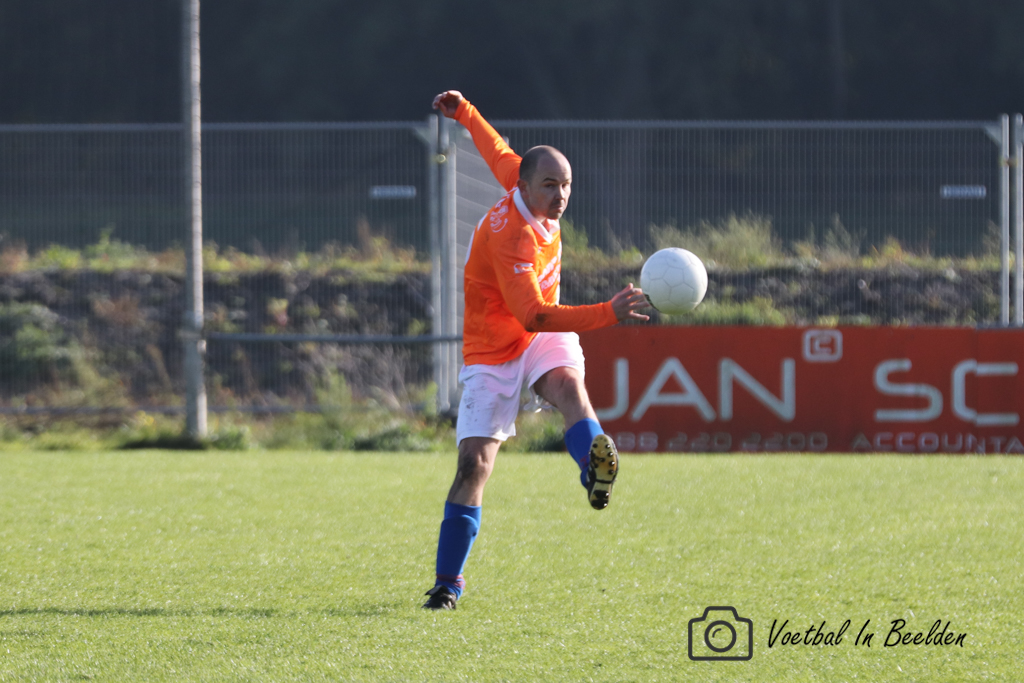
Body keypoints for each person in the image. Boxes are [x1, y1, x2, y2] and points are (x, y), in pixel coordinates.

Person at [423, 91, 650, 610]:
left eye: (566, 184)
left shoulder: (523, 183)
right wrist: (608, 313)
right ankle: (448, 583)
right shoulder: (513, 235)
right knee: (474, 465)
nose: (561, 194)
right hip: (495, 350)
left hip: (539, 337)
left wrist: (464, 112)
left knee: (569, 387)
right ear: (526, 187)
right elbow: (533, 315)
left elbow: (498, 150)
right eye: (551, 184)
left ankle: (593, 469)